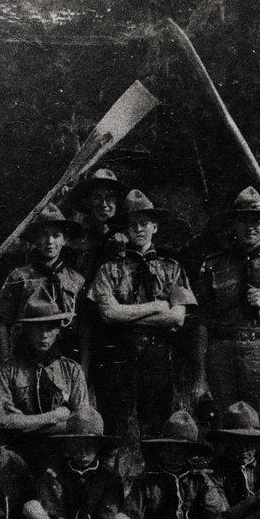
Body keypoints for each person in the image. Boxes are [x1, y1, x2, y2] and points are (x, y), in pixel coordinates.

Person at [85, 190, 197, 455]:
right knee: (112, 428)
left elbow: (177, 317)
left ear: (155, 227)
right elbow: (108, 314)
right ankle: (109, 487)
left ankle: (153, 488)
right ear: (123, 228)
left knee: (156, 429)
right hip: (118, 355)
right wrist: (157, 306)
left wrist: (128, 313)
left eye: (144, 223)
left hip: (157, 356)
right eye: (132, 223)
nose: (138, 229)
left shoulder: (172, 268)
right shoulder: (109, 269)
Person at [191, 187, 260, 441]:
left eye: (257, 220)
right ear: (233, 224)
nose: (250, 227)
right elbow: (201, 322)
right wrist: (200, 377)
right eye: (243, 220)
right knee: (222, 425)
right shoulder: (213, 265)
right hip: (221, 354)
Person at [107, 410, 228, 519]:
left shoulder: (200, 480)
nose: (173, 457)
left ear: (189, 453)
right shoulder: (146, 481)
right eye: (168, 450)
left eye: (180, 452)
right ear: (160, 450)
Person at [0, 292, 90, 473]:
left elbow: (81, 426)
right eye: (38, 328)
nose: (44, 335)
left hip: (62, 456)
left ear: (59, 330)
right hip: (18, 455)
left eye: (50, 327)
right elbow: (4, 422)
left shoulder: (72, 370)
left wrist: (25, 422)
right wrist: (53, 417)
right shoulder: (9, 370)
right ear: (26, 330)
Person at [0, 203, 85, 363]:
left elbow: (84, 328)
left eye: (56, 235)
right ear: (34, 239)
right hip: (25, 354)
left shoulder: (76, 279)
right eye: (43, 235)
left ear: (65, 240)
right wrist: (5, 359)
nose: (49, 241)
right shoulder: (19, 276)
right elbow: (3, 322)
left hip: (65, 355)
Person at [37, 407, 124, 519]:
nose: (83, 452)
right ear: (68, 444)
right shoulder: (55, 472)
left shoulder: (110, 475)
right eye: (77, 444)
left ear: (99, 446)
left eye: (89, 445)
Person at [64, 167, 129, 280]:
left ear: (117, 202)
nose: (104, 204)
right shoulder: (78, 241)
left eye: (109, 198)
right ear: (88, 202)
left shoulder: (128, 237)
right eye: (97, 197)